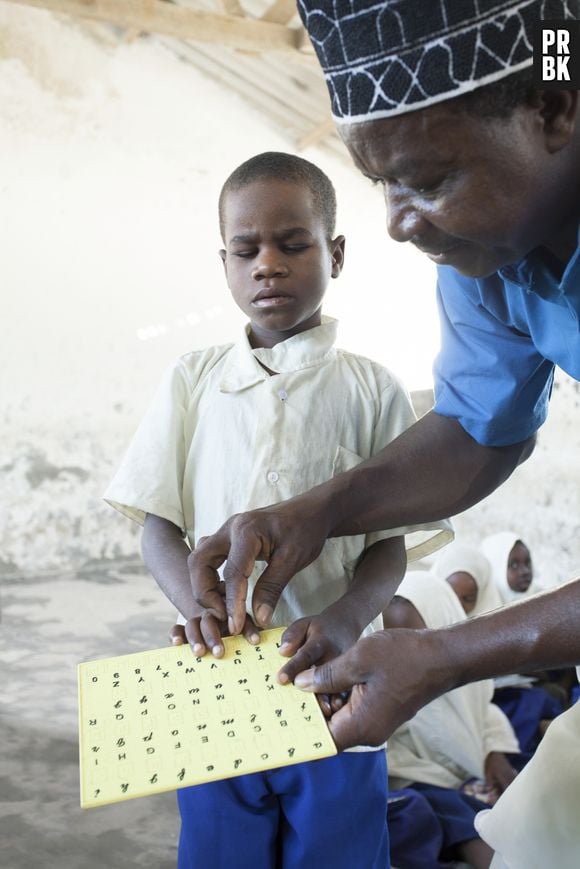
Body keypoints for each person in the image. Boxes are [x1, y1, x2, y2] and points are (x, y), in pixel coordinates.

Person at [185, 3, 580, 865]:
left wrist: (448, 654)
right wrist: (320, 510)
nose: (401, 221)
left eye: (429, 179)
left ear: (556, 110)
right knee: (540, 832)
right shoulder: (493, 256)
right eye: (383, 187)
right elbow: (478, 431)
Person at [104, 151, 450, 868]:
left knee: (339, 850)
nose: (268, 264)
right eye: (246, 249)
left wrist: (351, 615)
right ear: (224, 264)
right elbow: (157, 522)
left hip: (330, 682)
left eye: (293, 244)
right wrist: (189, 600)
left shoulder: (371, 388)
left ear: (337, 253)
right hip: (216, 674)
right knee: (220, 849)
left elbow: (389, 541)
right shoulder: (193, 380)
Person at [383, 572, 520, 869]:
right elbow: (391, 756)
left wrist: (493, 750)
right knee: (446, 809)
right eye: (390, 642)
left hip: (468, 773)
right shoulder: (385, 692)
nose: (403, 658)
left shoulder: (470, 677)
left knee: (522, 775)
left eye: (417, 641)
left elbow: (484, 712)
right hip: (418, 782)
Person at [432, 541, 502, 617]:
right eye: (450, 596)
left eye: (468, 599)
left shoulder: (495, 625)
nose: (458, 606)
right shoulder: (426, 619)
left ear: (481, 596)